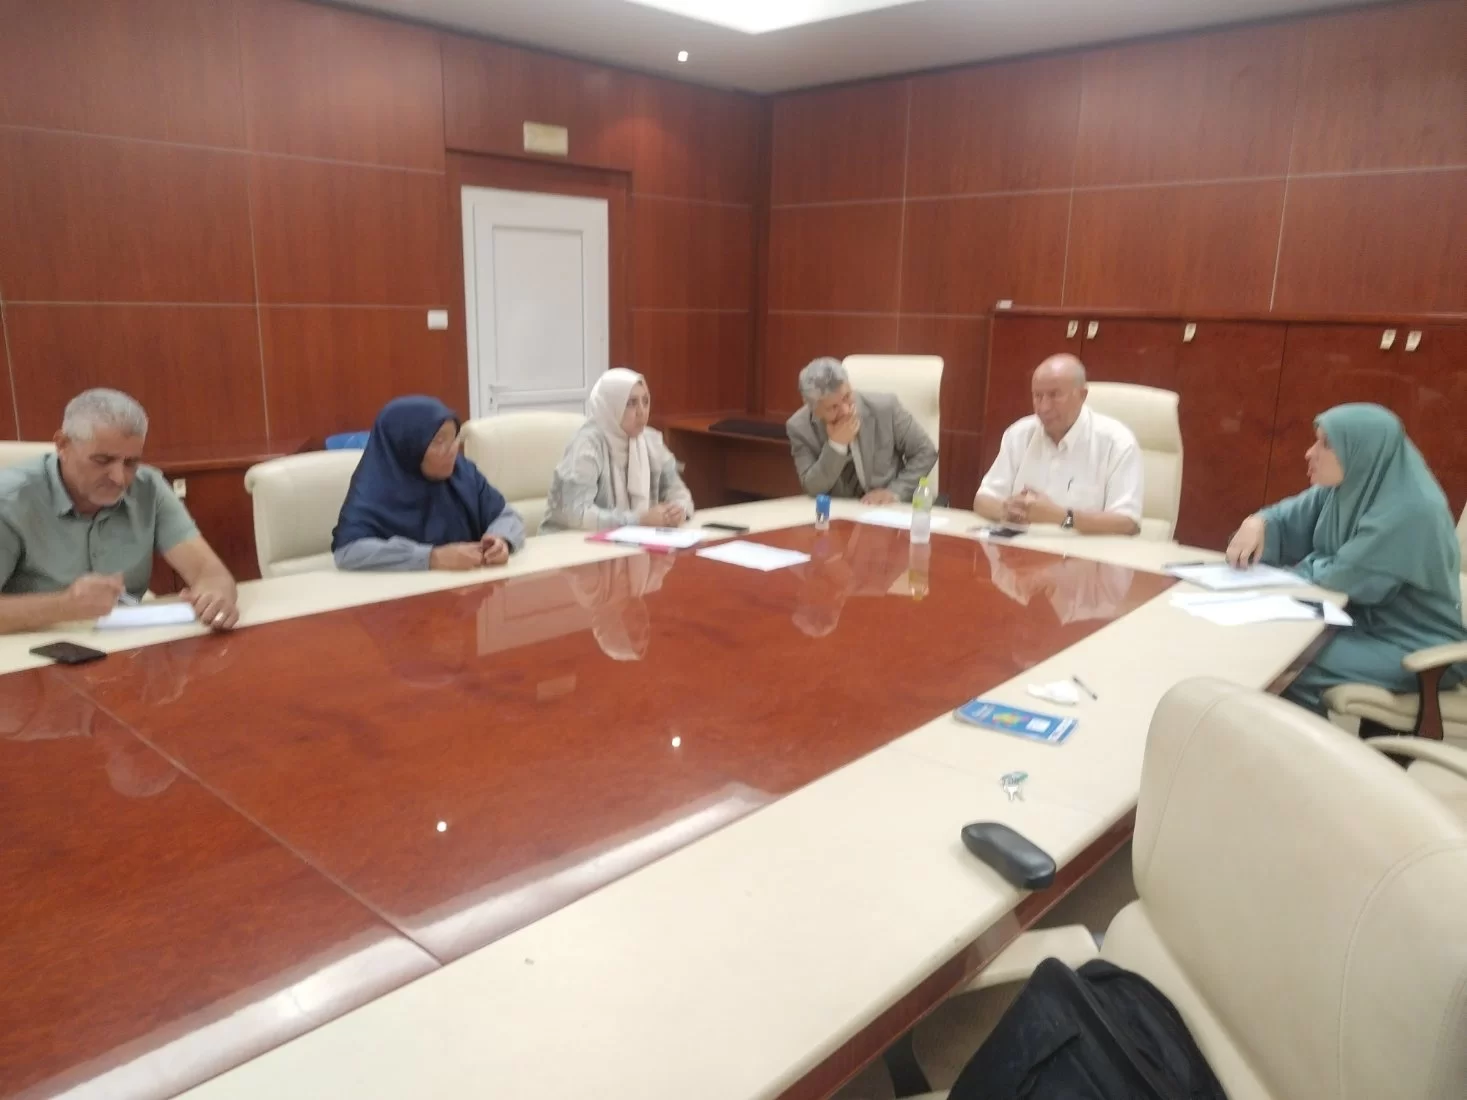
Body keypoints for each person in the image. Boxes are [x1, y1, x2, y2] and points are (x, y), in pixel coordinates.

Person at [1226, 403, 1465, 715]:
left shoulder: (1412, 511)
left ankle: (1304, 744)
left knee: (1288, 661)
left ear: (1363, 451)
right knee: (1277, 648)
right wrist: (1258, 522)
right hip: (1359, 626)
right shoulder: (1348, 486)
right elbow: (1286, 522)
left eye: (1326, 444)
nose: (1310, 453)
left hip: (1417, 647)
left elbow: (1345, 577)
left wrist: (1307, 565)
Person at [0, 389, 239, 633]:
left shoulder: (148, 488)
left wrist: (215, 594)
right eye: (102, 461)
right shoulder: (9, 499)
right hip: (29, 646)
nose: (119, 478)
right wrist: (64, 606)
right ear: (63, 445)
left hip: (126, 642)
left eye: (131, 463)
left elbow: (209, 572)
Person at [333, 396, 525, 571]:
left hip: (468, 588)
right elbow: (347, 552)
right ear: (408, 446)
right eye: (439, 441)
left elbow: (506, 515)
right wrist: (432, 558)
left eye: (454, 437)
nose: (453, 450)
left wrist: (500, 540)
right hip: (404, 593)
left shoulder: (462, 472)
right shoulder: (374, 487)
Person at [975, 354, 1142, 536]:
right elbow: (983, 499)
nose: (1044, 407)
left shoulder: (1116, 442)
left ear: (1082, 395)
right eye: (1038, 396)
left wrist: (1061, 517)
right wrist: (1006, 510)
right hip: (1021, 547)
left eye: (1054, 395)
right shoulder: (1019, 434)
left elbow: (1127, 523)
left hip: (1081, 551)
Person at [541, 368, 694, 533]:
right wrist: (638, 520)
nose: (642, 412)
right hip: (570, 542)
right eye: (631, 403)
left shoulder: (651, 441)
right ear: (611, 405)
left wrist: (677, 511)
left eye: (645, 401)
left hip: (632, 540)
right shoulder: (588, 445)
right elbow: (577, 513)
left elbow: (679, 493)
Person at [785, 357, 937, 505]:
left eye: (846, 396)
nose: (845, 410)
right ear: (814, 409)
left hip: (887, 510)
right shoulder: (799, 427)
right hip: (838, 511)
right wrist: (836, 445)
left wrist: (894, 492)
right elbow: (813, 488)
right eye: (833, 407)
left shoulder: (885, 408)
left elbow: (925, 451)